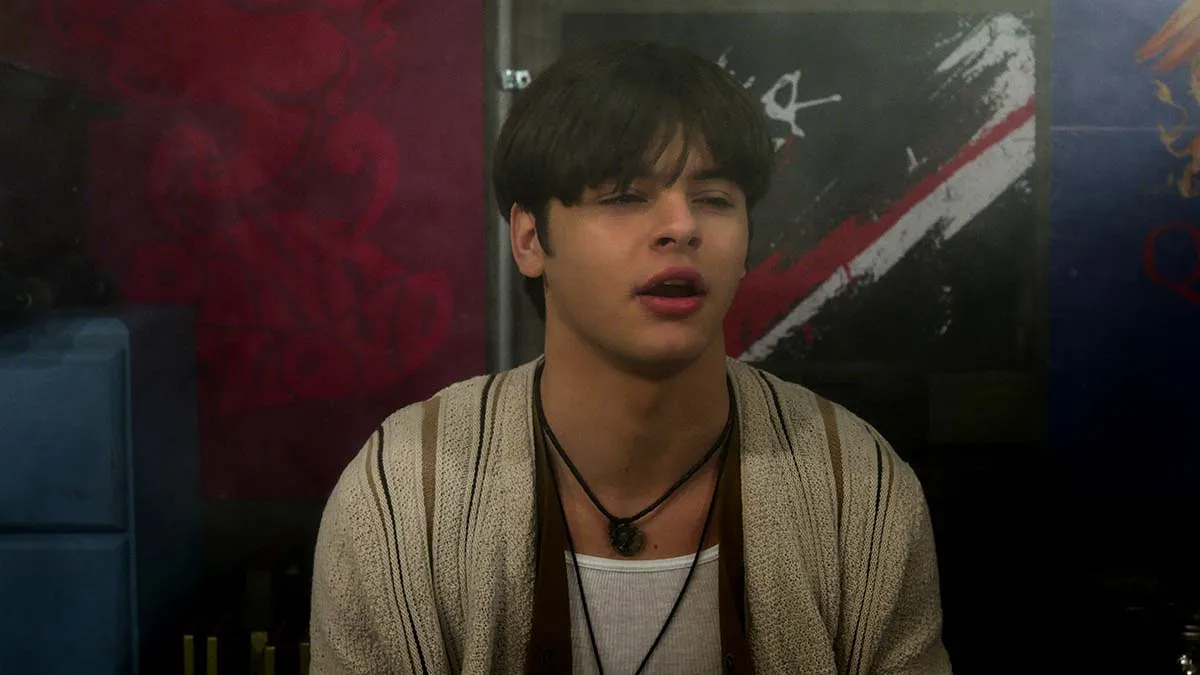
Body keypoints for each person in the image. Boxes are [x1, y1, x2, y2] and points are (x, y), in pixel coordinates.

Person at [310, 41, 951, 674]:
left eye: (714, 199)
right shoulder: (404, 498)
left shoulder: (854, 489)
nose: (682, 227)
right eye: (624, 196)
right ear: (529, 238)